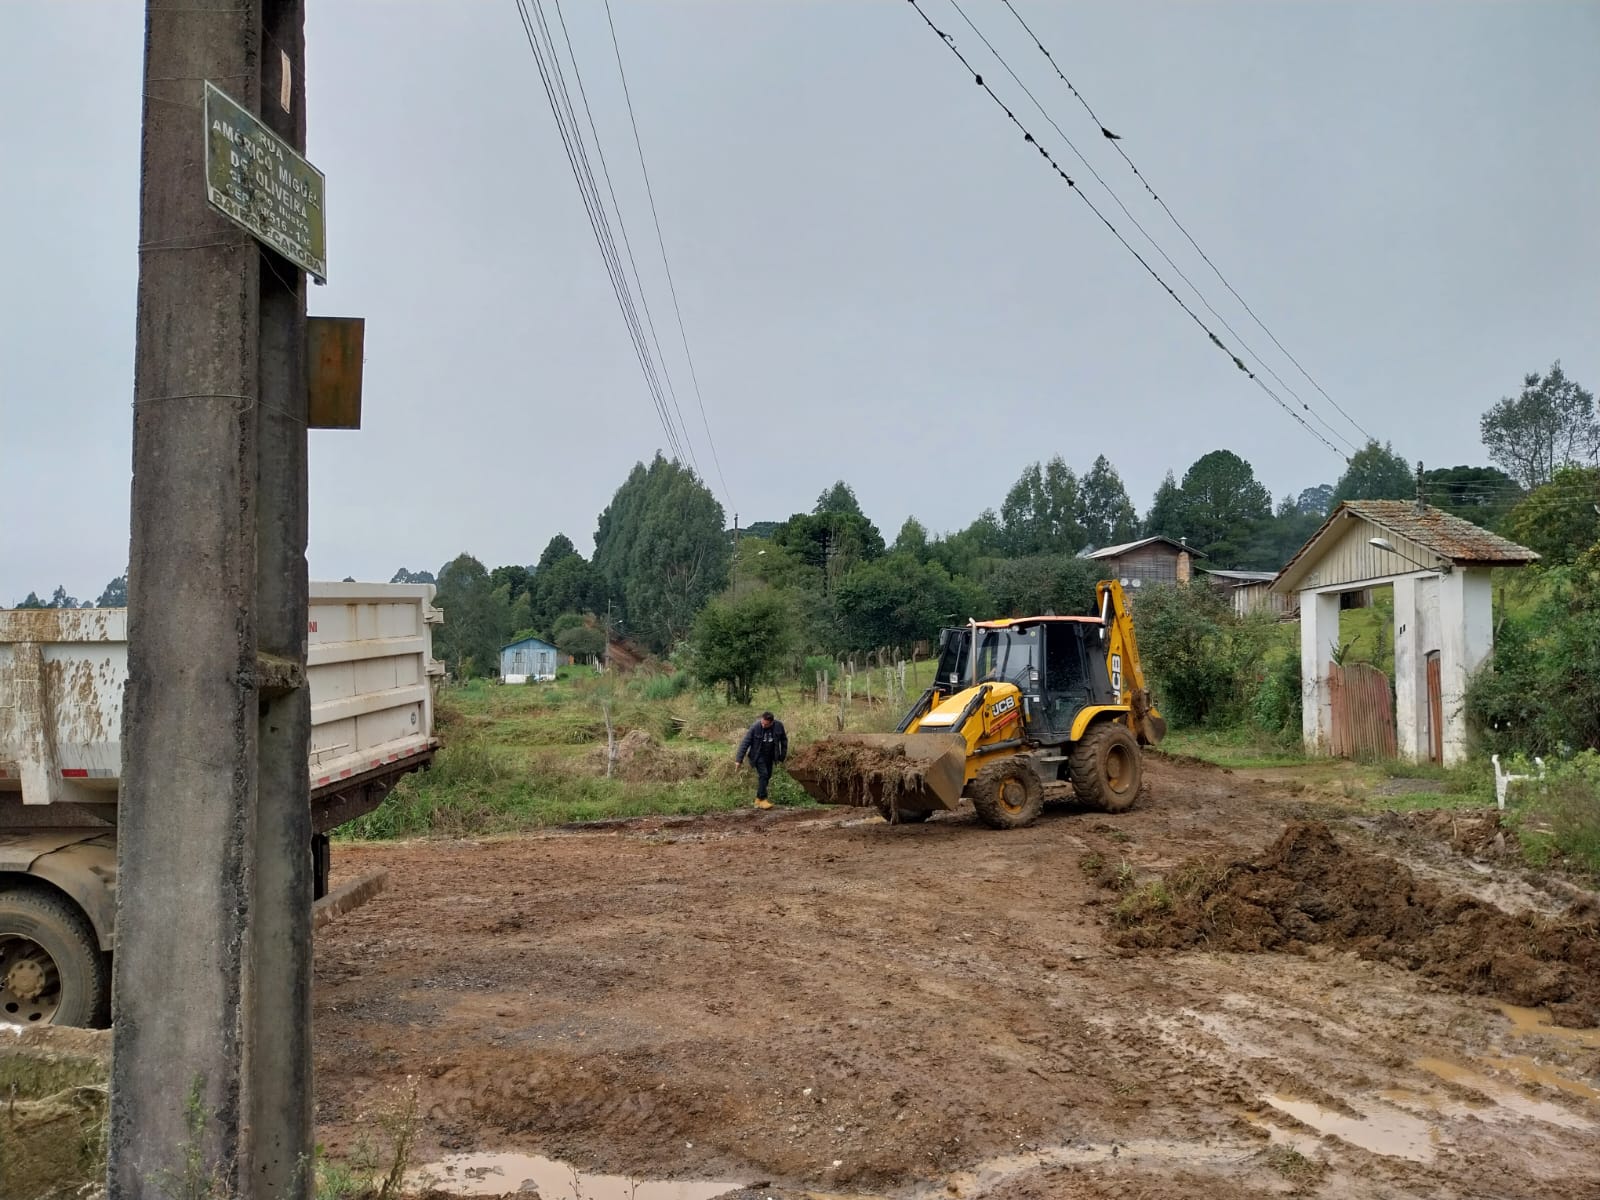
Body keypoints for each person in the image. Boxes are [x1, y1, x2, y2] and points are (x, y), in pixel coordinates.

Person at [734, 711, 788, 809]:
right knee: (764, 774)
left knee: (767, 776)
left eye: (766, 724)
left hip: (771, 756)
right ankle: (763, 799)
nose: (763, 725)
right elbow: (745, 742)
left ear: (771, 722)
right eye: (762, 722)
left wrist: (782, 756)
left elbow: (784, 741)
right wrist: (739, 759)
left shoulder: (778, 726)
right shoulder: (755, 727)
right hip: (757, 755)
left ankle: (758, 799)